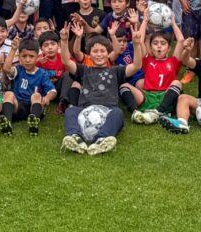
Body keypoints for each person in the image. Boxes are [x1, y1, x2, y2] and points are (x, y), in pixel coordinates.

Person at [57, 24, 145, 155]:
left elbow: (137, 65)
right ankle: (75, 138)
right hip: (85, 112)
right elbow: (66, 62)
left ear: (108, 52)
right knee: (71, 111)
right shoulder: (83, 70)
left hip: (108, 111)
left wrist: (137, 45)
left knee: (118, 113)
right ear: (89, 54)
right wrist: (64, 41)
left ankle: (102, 139)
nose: (99, 55)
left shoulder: (116, 71)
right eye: (95, 51)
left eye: (102, 51)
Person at [0, 37, 57, 136]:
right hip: (19, 108)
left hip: (34, 107)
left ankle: (34, 123)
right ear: (19, 57)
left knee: (36, 95)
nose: (27, 60)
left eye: (31, 56)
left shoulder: (42, 73)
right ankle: (7, 123)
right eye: (24, 56)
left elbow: (53, 90)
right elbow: (6, 68)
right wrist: (13, 49)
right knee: (8, 94)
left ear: (37, 57)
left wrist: (48, 97)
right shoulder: (19, 69)